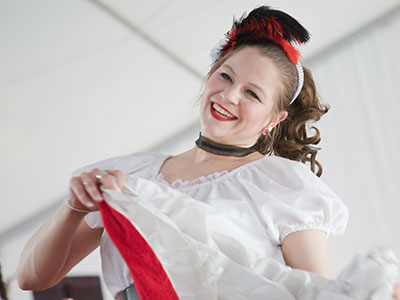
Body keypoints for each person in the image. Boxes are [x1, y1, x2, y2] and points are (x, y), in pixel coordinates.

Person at [18, 5, 399, 300]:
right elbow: (33, 277)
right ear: (210, 75)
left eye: (252, 94)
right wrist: (74, 207)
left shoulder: (283, 185)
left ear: (273, 119)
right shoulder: (132, 177)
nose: (230, 96)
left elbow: (314, 292)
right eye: (226, 76)